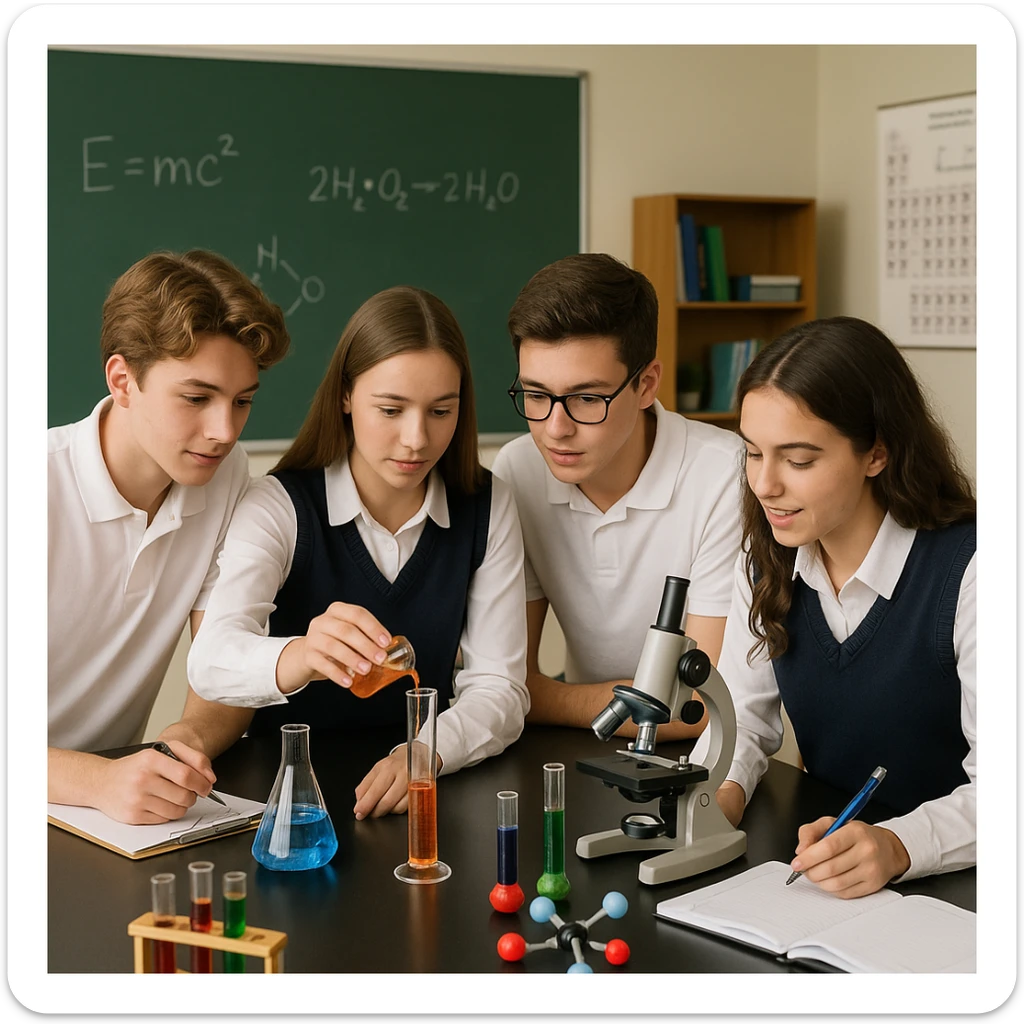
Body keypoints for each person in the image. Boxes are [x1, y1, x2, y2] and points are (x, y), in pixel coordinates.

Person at [187, 285, 529, 819]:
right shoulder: (278, 503)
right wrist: (302, 654)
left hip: (423, 791)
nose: (416, 438)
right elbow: (210, 661)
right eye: (391, 409)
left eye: (441, 410)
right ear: (345, 396)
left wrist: (426, 752)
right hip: (289, 804)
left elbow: (500, 689)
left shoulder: (489, 505)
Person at [698, 315, 976, 898]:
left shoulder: (973, 570)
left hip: (961, 881)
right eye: (752, 453)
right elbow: (744, 718)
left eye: (798, 461)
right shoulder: (767, 555)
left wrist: (899, 845)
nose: (765, 485)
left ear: (877, 454)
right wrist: (716, 798)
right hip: (830, 864)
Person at [48, 248, 291, 824]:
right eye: (196, 398)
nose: (225, 431)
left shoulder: (225, 477)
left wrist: (182, 743)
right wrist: (97, 779)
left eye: (243, 401)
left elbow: (223, 670)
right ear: (123, 380)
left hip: (104, 819)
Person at [490, 253, 744, 741]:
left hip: (705, 761)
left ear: (646, 384)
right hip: (582, 743)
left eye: (587, 398)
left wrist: (545, 697)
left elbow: (705, 704)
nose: (555, 429)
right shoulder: (518, 469)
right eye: (536, 395)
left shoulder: (722, 473)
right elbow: (508, 683)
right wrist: (532, 694)